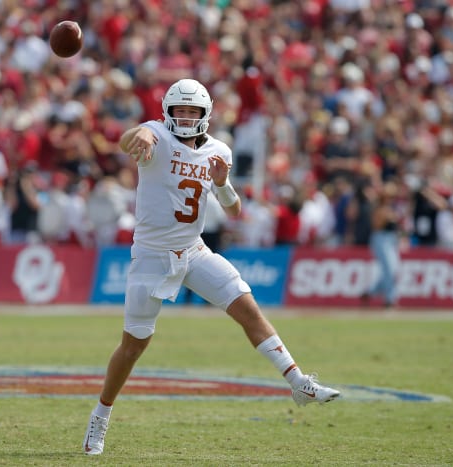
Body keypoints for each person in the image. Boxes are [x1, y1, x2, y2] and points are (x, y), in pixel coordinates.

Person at [82, 79, 340, 456]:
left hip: (194, 250)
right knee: (133, 346)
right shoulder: (155, 133)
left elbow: (235, 212)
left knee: (246, 306)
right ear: (167, 112)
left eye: (192, 111)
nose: (185, 117)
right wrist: (140, 138)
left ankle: (297, 381)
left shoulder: (219, 151)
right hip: (152, 256)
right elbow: (131, 137)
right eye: (179, 110)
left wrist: (222, 184)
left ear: (206, 114)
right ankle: (101, 414)